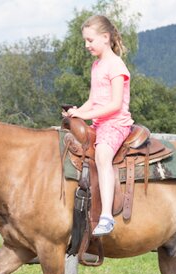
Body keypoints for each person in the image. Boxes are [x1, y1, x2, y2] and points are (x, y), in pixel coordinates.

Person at [65, 15, 133, 236]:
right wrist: (77, 113)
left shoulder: (116, 65)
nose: (87, 45)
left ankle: (105, 216)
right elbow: (93, 99)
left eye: (90, 40)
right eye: (85, 41)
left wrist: (88, 114)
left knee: (103, 155)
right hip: (100, 123)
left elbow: (114, 105)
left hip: (115, 124)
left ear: (105, 37)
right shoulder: (97, 65)